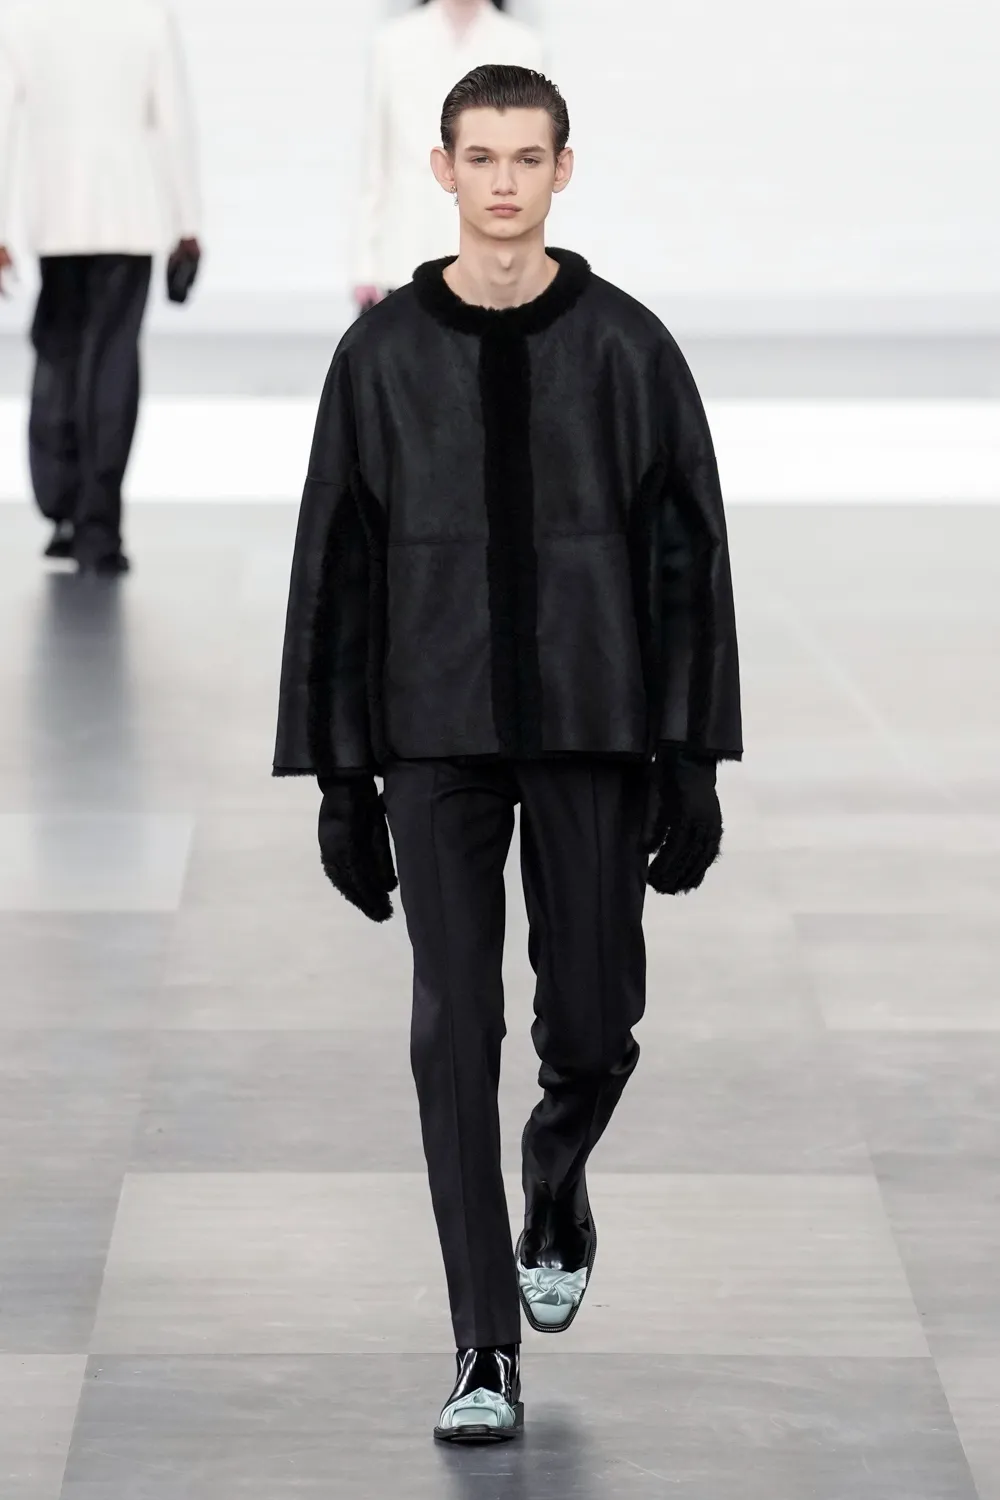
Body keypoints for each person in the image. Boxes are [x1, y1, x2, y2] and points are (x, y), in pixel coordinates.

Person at [274, 65, 742, 1443]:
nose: (501, 183)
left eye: (525, 158)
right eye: (478, 157)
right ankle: (484, 1343)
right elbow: (335, 568)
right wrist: (342, 782)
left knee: (592, 1025)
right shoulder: (380, 357)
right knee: (451, 1027)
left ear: (561, 171)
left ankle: (554, 1180)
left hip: (595, 724)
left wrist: (693, 757)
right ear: (441, 171)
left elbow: (688, 561)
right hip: (433, 731)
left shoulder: (629, 348)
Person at [0, 0, 201, 576]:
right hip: (130, 213)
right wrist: (188, 224)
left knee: (59, 358)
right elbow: (174, 125)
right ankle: (98, 529)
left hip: (55, 214)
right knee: (110, 367)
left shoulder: (24, 17)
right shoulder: (148, 16)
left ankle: (62, 510)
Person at [353, 0, 542, 313]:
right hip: (405, 247)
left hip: (492, 258)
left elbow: (533, 167)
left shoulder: (522, 46)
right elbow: (376, 161)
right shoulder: (392, 43)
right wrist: (365, 264)